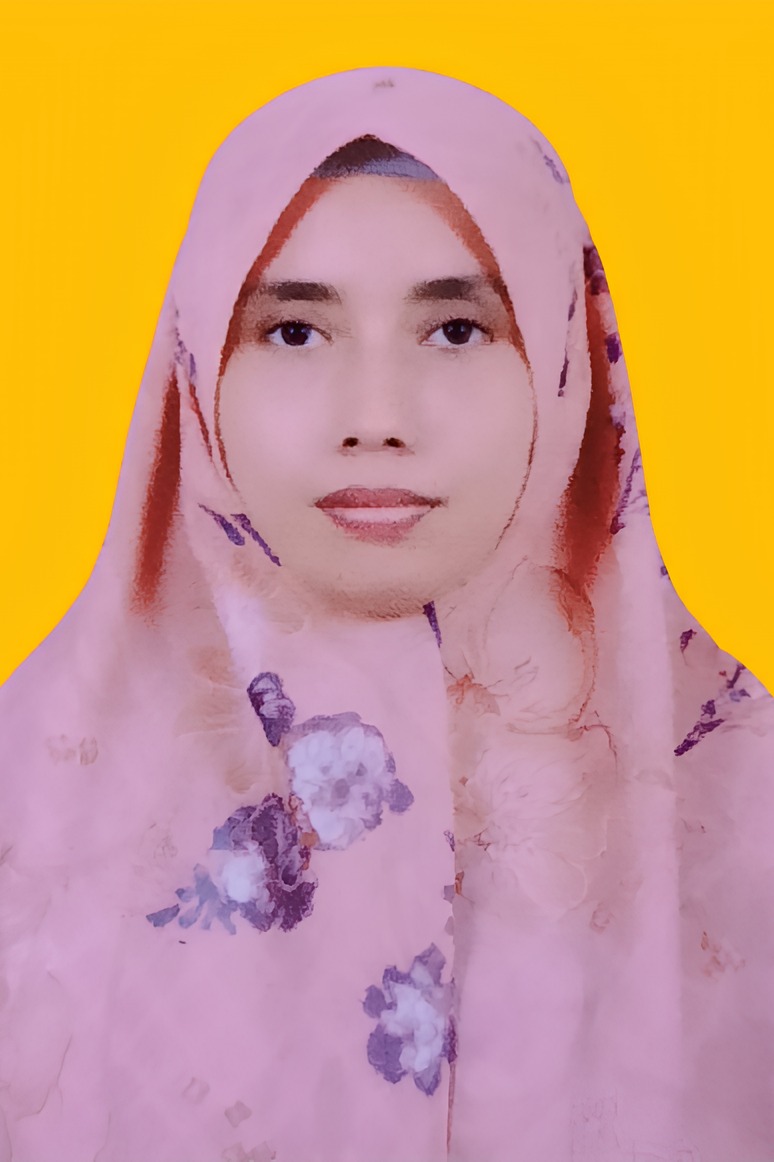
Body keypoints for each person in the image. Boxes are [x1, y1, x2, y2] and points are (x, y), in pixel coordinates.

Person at [0, 66, 772, 1162]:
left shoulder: (747, 811)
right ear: (195, 372)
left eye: (455, 329)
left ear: (566, 362)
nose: (376, 417)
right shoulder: (25, 808)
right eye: (293, 332)